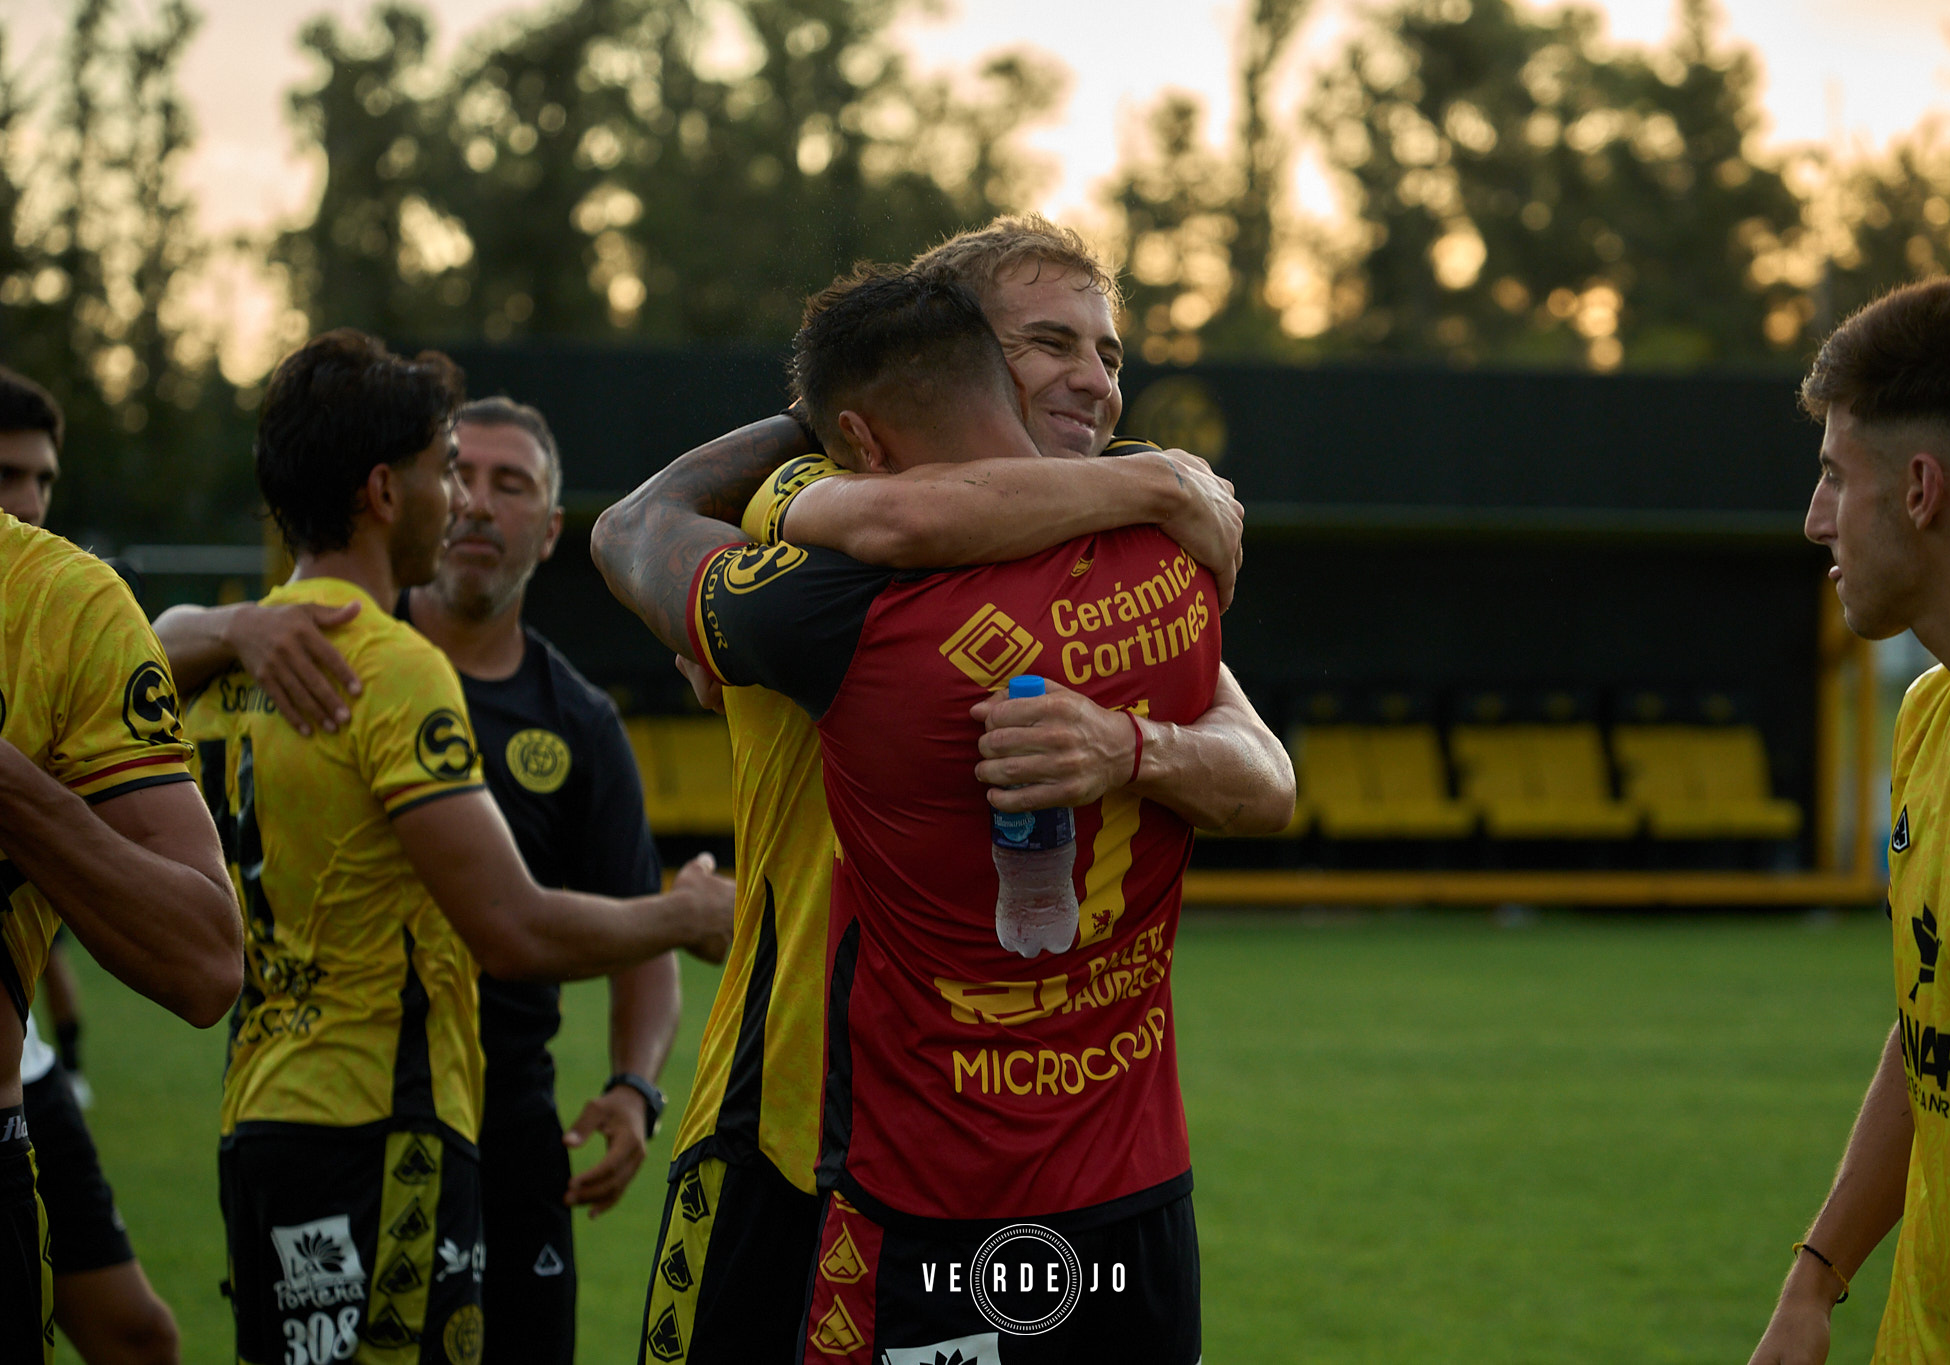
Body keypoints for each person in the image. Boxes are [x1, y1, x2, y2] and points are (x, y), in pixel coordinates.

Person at [595, 219, 1291, 1363]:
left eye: (1110, 354)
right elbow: (860, 515)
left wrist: (1128, 748)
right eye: (1049, 344)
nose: (1093, 381)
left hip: (1016, 1153)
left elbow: (1264, 774)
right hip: (790, 1122)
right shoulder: (821, 503)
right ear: (956, 359)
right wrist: (1164, 479)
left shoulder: (1119, 537)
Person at [157, 329, 730, 1365]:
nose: (461, 501)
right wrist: (690, 913)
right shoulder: (388, 663)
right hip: (384, 1123)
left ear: (549, 528)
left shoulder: (251, 660)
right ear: (384, 491)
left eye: (500, 484)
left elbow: (136, 663)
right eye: (443, 472)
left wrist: (633, 1083)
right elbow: (510, 925)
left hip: (271, 1111)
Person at [1747, 275, 1950, 1364]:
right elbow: (1940, 1027)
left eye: (1834, 476)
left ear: (1918, 489)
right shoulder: (1927, 715)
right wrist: (1814, 1279)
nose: (1814, 519)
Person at [0, 393, 245, 1363]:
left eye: (40, 478)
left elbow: (202, 961)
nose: (28, 498)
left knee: (139, 1335)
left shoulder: (59, 603)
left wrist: (12, 789)